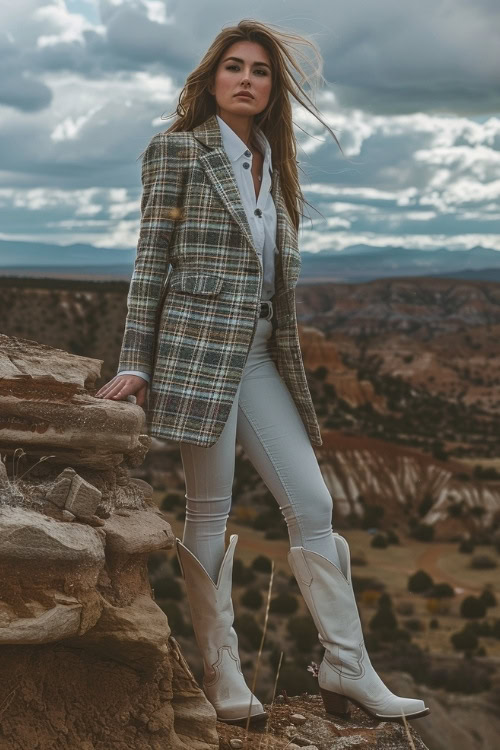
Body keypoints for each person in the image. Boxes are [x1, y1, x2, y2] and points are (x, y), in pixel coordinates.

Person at [95, 19, 430, 726]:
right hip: (196, 355)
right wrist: (135, 360)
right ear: (211, 80)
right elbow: (151, 258)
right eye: (234, 67)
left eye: (261, 71)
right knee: (209, 510)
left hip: (260, 355)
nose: (247, 79)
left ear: (274, 89)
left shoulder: (275, 162)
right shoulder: (178, 151)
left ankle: (347, 666)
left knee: (313, 506)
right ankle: (224, 678)